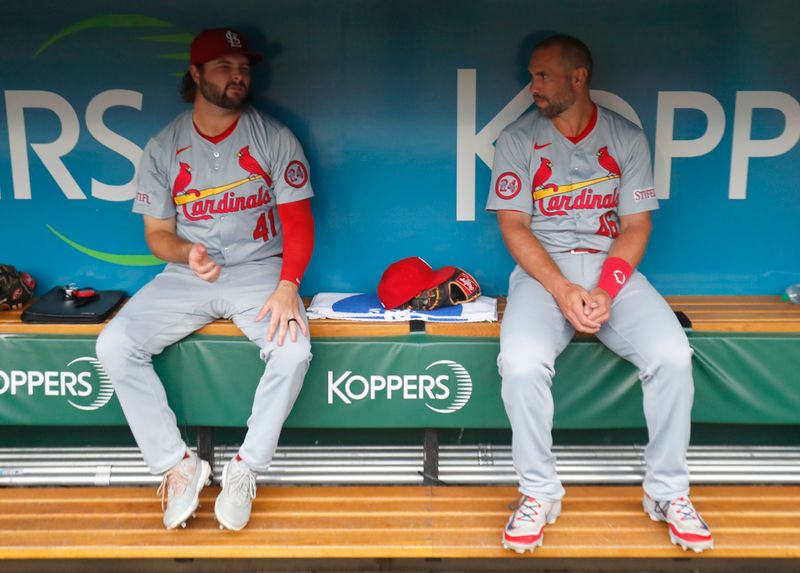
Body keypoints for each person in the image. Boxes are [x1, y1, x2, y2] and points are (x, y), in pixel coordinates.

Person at [486, 34, 713, 553]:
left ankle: (668, 492)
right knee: (520, 363)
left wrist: (606, 289)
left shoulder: (625, 137)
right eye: (532, 75)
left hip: (614, 272)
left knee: (673, 356)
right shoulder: (518, 140)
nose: (533, 86)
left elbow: (635, 225)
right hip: (545, 275)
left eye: (543, 75)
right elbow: (515, 227)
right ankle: (539, 492)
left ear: (579, 77)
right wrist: (563, 288)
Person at [96, 28, 315, 531]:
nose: (237, 76)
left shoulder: (273, 138)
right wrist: (186, 252)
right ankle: (178, 465)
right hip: (187, 275)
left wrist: (288, 285)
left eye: (243, 67)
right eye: (223, 66)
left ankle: (245, 469)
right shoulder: (164, 146)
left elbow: (300, 223)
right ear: (195, 74)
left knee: (293, 350)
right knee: (114, 345)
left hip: (260, 270)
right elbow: (157, 233)